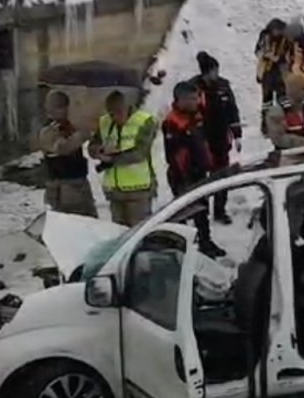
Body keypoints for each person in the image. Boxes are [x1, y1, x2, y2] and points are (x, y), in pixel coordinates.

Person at [163, 82, 227, 258]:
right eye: (192, 98)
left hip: (199, 171)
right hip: (182, 175)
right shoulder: (172, 122)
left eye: (197, 97)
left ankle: (205, 242)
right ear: (180, 100)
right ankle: (181, 246)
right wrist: (184, 176)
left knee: (202, 210)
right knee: (183, 211)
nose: (196, 101)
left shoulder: (196, 115)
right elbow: (174, 154)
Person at [88, 91, 157, 226]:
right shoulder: (105, 122)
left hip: (139, 190)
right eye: (112, 113)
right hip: (115, 191)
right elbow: (92, 145)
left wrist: (112, 160)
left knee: (138, 233)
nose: (115, 117)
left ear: (127, 107)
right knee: (119, 234)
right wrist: (98, 151)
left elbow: (140, 153)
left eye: (119, 112)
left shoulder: (144, 121)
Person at [190, 51, 242, 223]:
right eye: (213, 71)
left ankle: (220, 210)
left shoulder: (224, 86)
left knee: (222, 176)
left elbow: (232, 110)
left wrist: (237, 135)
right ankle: (200, 212)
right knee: (200, 178)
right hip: (200, 141)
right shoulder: (194, 88)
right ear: (205, 72)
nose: (216, 74)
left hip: (220, 139)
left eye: (217, 70)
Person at [39, 91, 98, 217]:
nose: (64, 111)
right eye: (60, 107)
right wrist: (82, 135)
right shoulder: (48, 130)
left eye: (64, 106)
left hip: (75, 185)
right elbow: (63, 148)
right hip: (64, 187)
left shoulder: (66, 126)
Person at [266, 73, 304, 154]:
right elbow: (278, 138)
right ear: (294, 90)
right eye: (303, 89)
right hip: (288, 154)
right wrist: (302, 142)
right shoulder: (278, 111)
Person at [254, 18, 290, 133]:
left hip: (280, 72)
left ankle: (287, 123)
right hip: (267, 72)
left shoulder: (286, 39)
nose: (277, 33)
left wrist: (279, 59)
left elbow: (287, 55)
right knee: (267, 101)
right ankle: (265, 125)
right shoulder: (264, 36)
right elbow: (258, 51)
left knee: (283, 99)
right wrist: (266, 55)